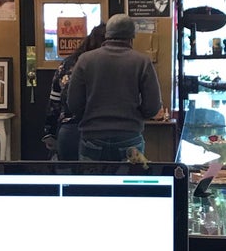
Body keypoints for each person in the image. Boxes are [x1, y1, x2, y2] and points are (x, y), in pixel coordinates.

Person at [65, 13, 162, 162]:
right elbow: (152, 107)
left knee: (92, 178)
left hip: (92, 137)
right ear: (132, 37)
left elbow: (73, 104)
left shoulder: (85, 60)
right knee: (130, 178)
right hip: (129, 137)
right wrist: (136, 115)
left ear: (107, 35)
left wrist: (91, 115)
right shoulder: (142, 62)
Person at [42, 23, 106, 160]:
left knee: (68, 171)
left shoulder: (68, 64)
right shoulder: (109, 65)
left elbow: (54, 102)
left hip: (69, 129)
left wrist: (49, 132)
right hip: (101, 129)